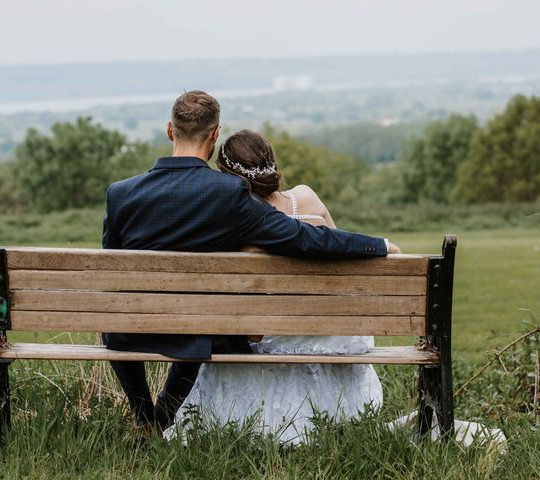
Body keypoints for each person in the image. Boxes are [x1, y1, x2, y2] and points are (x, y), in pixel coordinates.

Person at [101, 90, 400, 437]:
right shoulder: (227, 193)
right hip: (199, 329)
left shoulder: (120, 193)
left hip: (131, 326)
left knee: (122, 320)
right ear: (214, 135)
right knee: (203, 321)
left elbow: (113, 266)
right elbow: (304, 238)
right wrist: (378, 245)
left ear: (170, 130)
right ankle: (160, 419)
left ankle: (145, 417)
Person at [165, 130, 384, 444]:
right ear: (271, 162)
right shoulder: (306, 198)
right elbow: (337, 249)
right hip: (331, 329)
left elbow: (248, 322)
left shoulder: (240, 225)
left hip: (267, 333)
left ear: (228, 177)